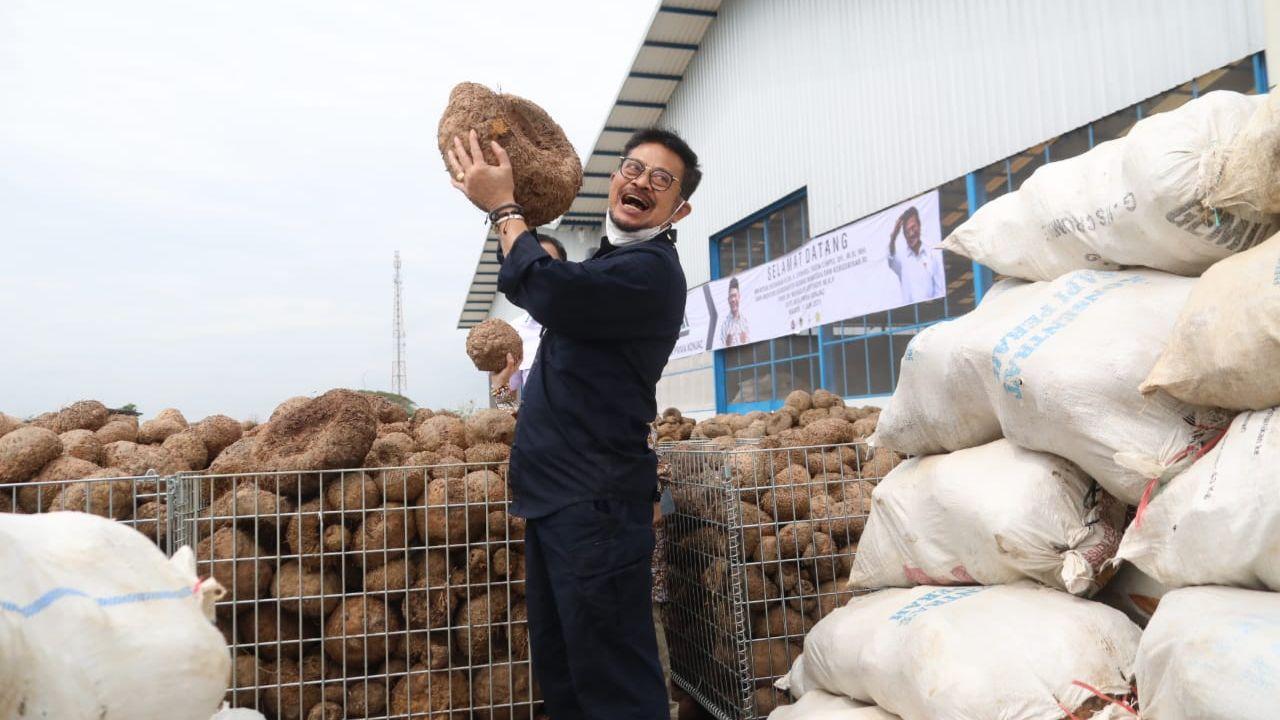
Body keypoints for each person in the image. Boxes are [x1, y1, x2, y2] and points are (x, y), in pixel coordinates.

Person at [448, 126, 699, 720]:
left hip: (598, 507)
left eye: (661, 180)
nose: (641, 182)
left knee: (612, 679)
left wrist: (505, 207)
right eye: (632, 168)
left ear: (679, 208)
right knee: (563, 671)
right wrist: (509, 216)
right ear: (614, 178)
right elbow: (540, 283)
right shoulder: (609, 264)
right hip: (558, 502)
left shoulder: (651, 272)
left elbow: (550, 289)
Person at [490, 233, 568, 412]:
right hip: (541, 436)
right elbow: (509, 411)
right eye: (532, 270)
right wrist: (499, 387)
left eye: (548, 266)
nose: (540, 277)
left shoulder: (590, 321)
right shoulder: (515, 333)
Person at [888, 205, 944, 304]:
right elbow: (890, 258)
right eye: (906, 231)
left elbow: (939, 289)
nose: (911, 233)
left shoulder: (931, 255)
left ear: (919, 225)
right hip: (911, 314)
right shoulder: (902, 260)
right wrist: (893, 237)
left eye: (913, 227)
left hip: (932, 310)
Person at [719, 276, 749, 347]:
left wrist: (745, 341)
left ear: (739, 297)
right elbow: (721, 346)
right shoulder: (724, 325)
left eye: (735, 296)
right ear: (728, 300)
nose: (733, 300)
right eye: (731, 296)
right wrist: (727, 344)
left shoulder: (746, 321)